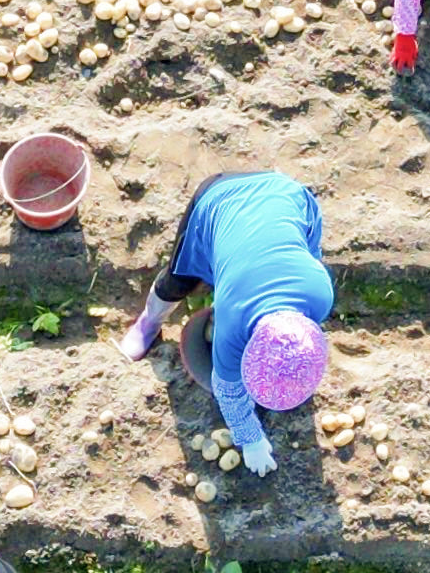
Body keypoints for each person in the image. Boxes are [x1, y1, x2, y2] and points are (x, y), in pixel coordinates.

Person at [120, 170, 332, 471]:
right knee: (180, 281)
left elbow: (309, 252)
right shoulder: (232, 328)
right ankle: (149, 321)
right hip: (220, 199)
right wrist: (250, 439)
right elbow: (228, 390)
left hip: (290, 198)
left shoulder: (320, 294)